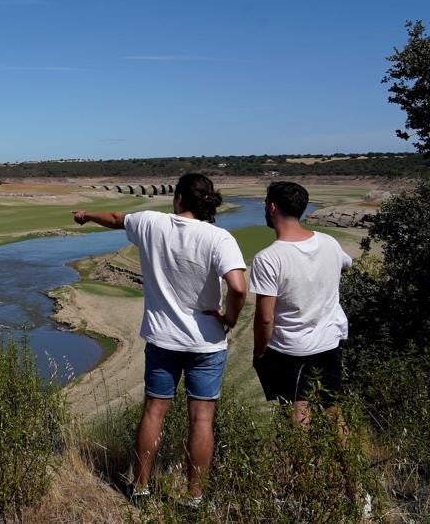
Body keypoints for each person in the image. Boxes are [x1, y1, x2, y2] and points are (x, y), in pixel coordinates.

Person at [72, 173, 247, 505]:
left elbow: (113, 219)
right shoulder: (220, 238)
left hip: (162, 339)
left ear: (178, 198)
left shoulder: (151, 223)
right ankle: (194, 497)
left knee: (154, 411)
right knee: (202, 418)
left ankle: (139, 488)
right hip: (207, 343)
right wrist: (229, 318)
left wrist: (86, 216)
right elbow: (238, 287)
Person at [250, 181, 352, 425]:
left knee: (298, 414)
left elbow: (265, 317)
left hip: (290, 349)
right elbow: (346, 265)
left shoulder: (268, 258)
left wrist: (259, 351)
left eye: (265, 204)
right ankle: (345, 462)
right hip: (329, 342)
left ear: (272, 207)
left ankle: (303, 464)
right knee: (333, 409)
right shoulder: (329, 242)